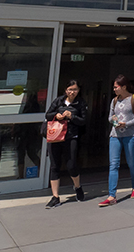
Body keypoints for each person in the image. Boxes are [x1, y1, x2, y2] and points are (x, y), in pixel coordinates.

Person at [100, 74, 134, 207]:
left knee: (131, 162)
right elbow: (110, 117)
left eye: (116, 87)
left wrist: (127, 123)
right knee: (113, 165)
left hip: (131, 135)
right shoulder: (114, 101)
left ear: (124, 87)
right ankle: (111, 195)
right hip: (115, 135)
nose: (114, 89)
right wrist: (114, 121)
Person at [44, 80, 87, 208]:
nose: (72, 92)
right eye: (70, 89)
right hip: (56, 137)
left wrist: (72, 116)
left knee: (71, 164)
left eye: (75, 89)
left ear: (78, 90)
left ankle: (78, 187)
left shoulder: (81, 103)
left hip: (70, 137)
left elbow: (83, 121)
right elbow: (47, 115)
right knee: (54, 166)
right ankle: (55, 196)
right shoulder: (59, 101)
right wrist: (57, 115)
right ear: (65, 90)